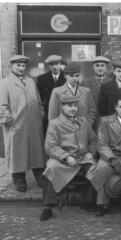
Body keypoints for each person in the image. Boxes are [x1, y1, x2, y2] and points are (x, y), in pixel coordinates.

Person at [39, 96, 97, 221]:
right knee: (51, 168)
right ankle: (48, 207)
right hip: (62, 160)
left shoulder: (84, 121)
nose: (73, 109)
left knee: (94, 168)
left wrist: (91, 152)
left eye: (75, 106)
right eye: (69, 106)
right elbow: (50, 146)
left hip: (82, 157)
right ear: (62, 107)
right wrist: (66, 157)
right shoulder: (55, 124)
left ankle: (87, 201)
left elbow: (94, 140)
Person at [0, 55, 46, 192]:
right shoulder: (5, 83)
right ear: (11, 66)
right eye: (18, 65)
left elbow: (38, 100)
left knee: (36, 150)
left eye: (23, 65)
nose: (21, 68)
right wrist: (10, 121)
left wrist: (40, 115)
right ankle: (18, 177)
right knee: (17, 153)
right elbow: (2, 106)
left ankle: (39, 174)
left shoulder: (31, 81)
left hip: (33, 122)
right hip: (16, 125)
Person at [36, 54, 66, 133]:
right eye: (52, 65)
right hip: (48, 113)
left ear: (60, 64)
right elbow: (39, 98)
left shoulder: (67, 78)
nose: (55, 67)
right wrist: (42, 112)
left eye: (56, 64)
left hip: (65, 112)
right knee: (49, 135)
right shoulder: (42, 79)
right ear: (49, 66)